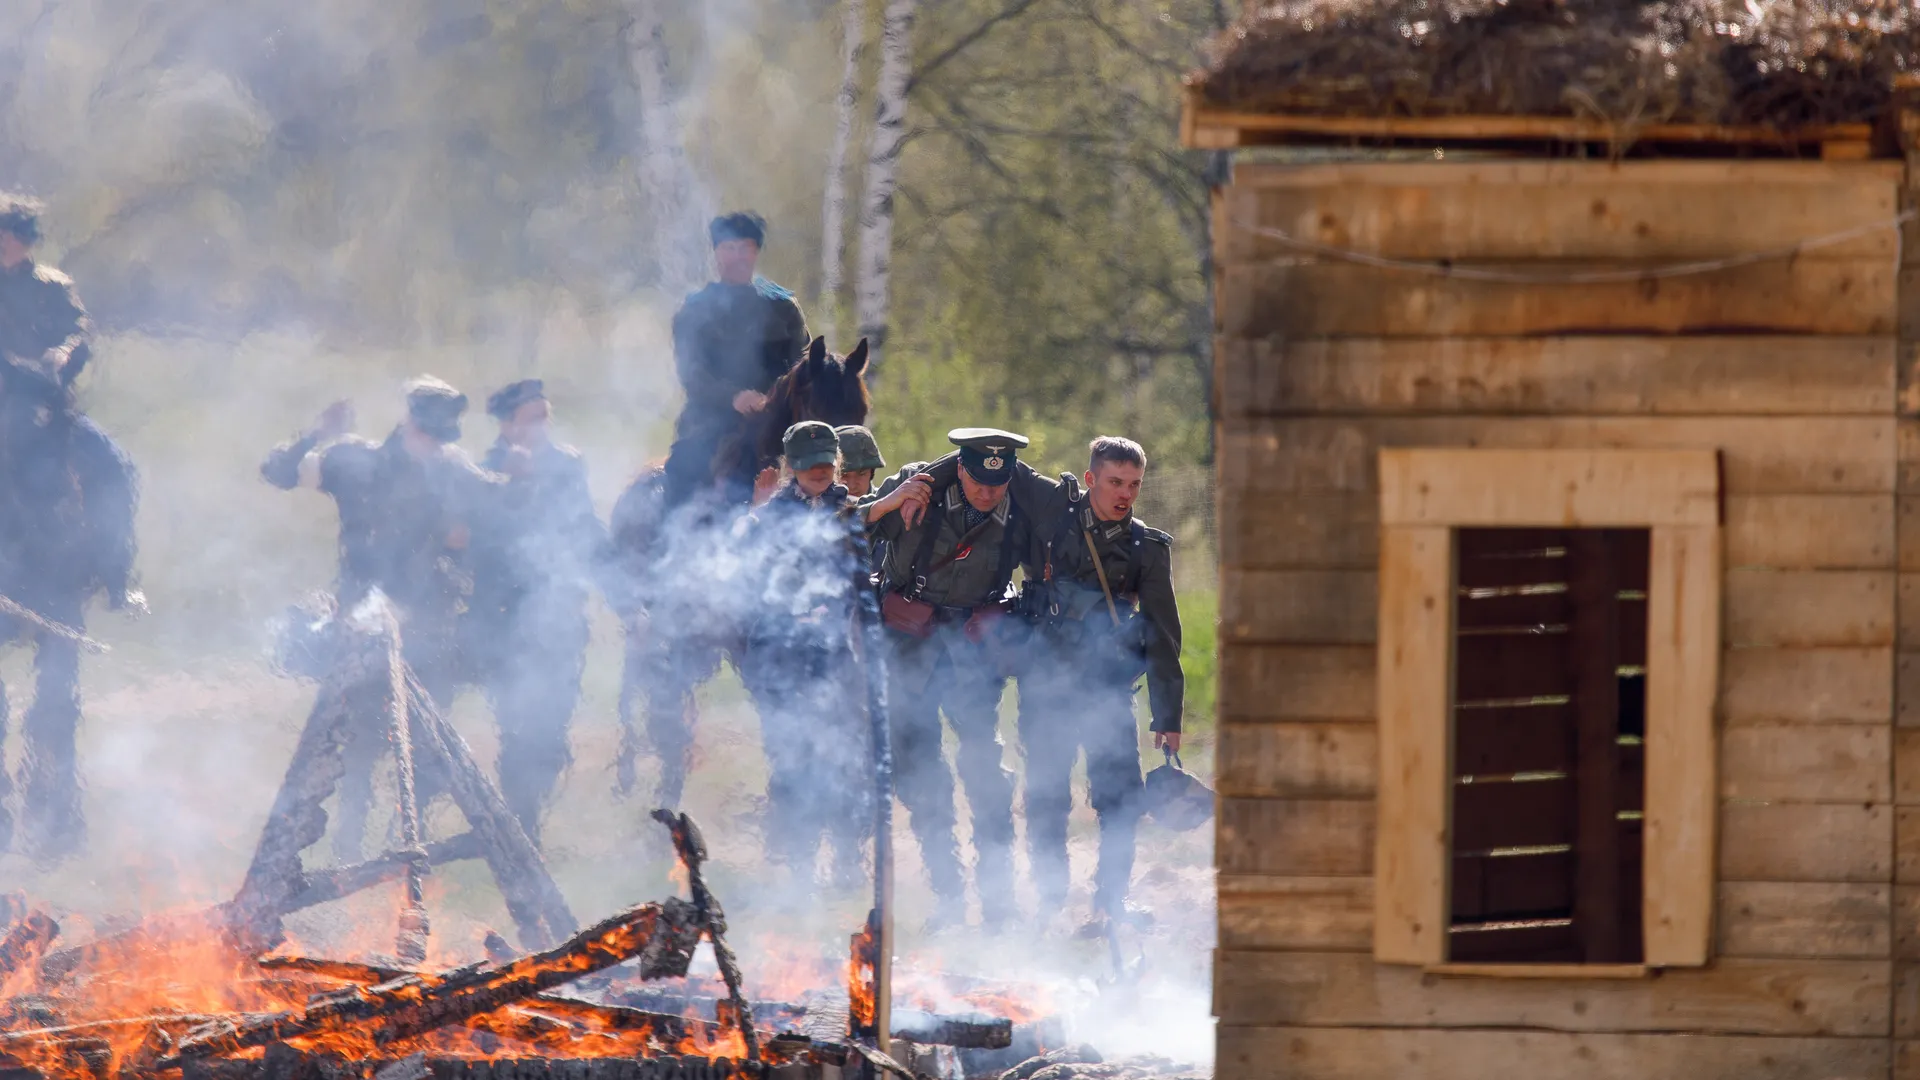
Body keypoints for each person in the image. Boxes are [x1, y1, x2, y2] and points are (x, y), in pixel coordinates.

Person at [261, 376, 510, 859]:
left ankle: (407, 846)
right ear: (411, 422)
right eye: (431, 434)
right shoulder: (356, 461)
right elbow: (278, 471)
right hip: (361, 627)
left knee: (428, 747)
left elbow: (503, 513)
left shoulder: (456, 471)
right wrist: (316, 433)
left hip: (430, 631)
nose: (436, 446)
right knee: (355, 746)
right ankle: (348, 848)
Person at [0, 193, 139, 859]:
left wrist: (60, 357)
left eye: (16, 236)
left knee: (114, 468)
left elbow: (79, 333)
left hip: (47, 413)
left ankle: (115, 573)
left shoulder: (53, 288)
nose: (9, 244)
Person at [1006, 437, 1183, 933]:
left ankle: (1109, 904)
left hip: (1106, 691)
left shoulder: (1146, 548)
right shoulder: (1052, 512)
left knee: (1120, 801)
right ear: (1091, 480)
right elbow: (1000, 462)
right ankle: (1048, 901)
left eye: (1134, 485)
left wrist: (1167, 718)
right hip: (1046, 685)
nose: (1125, 494)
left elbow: (1163, 635)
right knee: (1046, 798)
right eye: (1114, 483)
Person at [863, 428, 1031, 930]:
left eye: (996, 485)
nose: (986, 492)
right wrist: (886, 503)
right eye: (978, 481)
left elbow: (1053, 576)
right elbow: (837, 526)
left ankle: (999, 903)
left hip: (971, 658)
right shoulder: (914, 490)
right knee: (923, 781)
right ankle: (949, 896)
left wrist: (1011, 617)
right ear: (961, 468)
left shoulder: (1024, 509)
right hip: (908, 651)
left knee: (987, 776)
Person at [467, 379, 604, 844]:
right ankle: (521, 828)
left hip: (560, 615)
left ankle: (531, 807)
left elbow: (587, 531)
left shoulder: (568, 465)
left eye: (546, 416)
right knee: (516, 723)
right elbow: (478, 543)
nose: (542, 428)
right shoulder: (483, 471)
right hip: (505, 617)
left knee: (551, 728)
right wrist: (510, 483)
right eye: (532, 419)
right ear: (507, 426)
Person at [738, 422, 869, 892]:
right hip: (781, 658)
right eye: (809, 462)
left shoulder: (852, 509)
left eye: (826, 462)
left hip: (835, 655)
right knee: (793, 758)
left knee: (845, 756)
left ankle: (847, 861)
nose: (819, 470)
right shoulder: (770, 516)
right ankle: (799, 865)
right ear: (792, 465)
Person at [662, 212, 811, 511]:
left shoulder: (782, 307)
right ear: (716, 253)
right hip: (710, 421)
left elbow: (802, 367)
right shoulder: (694, 310)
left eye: (744, 247)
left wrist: (772, 398)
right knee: (683, 474)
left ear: (756, 252)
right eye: (728, 248)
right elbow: (691, 373)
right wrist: (733, 397)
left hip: (776, 423)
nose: (737, 256)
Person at [834, 425, 885, 499]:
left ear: (871, 473)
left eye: (861, 474)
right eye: (843, 475)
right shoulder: (816, 507)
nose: (852, 486)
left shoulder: (888, 506)